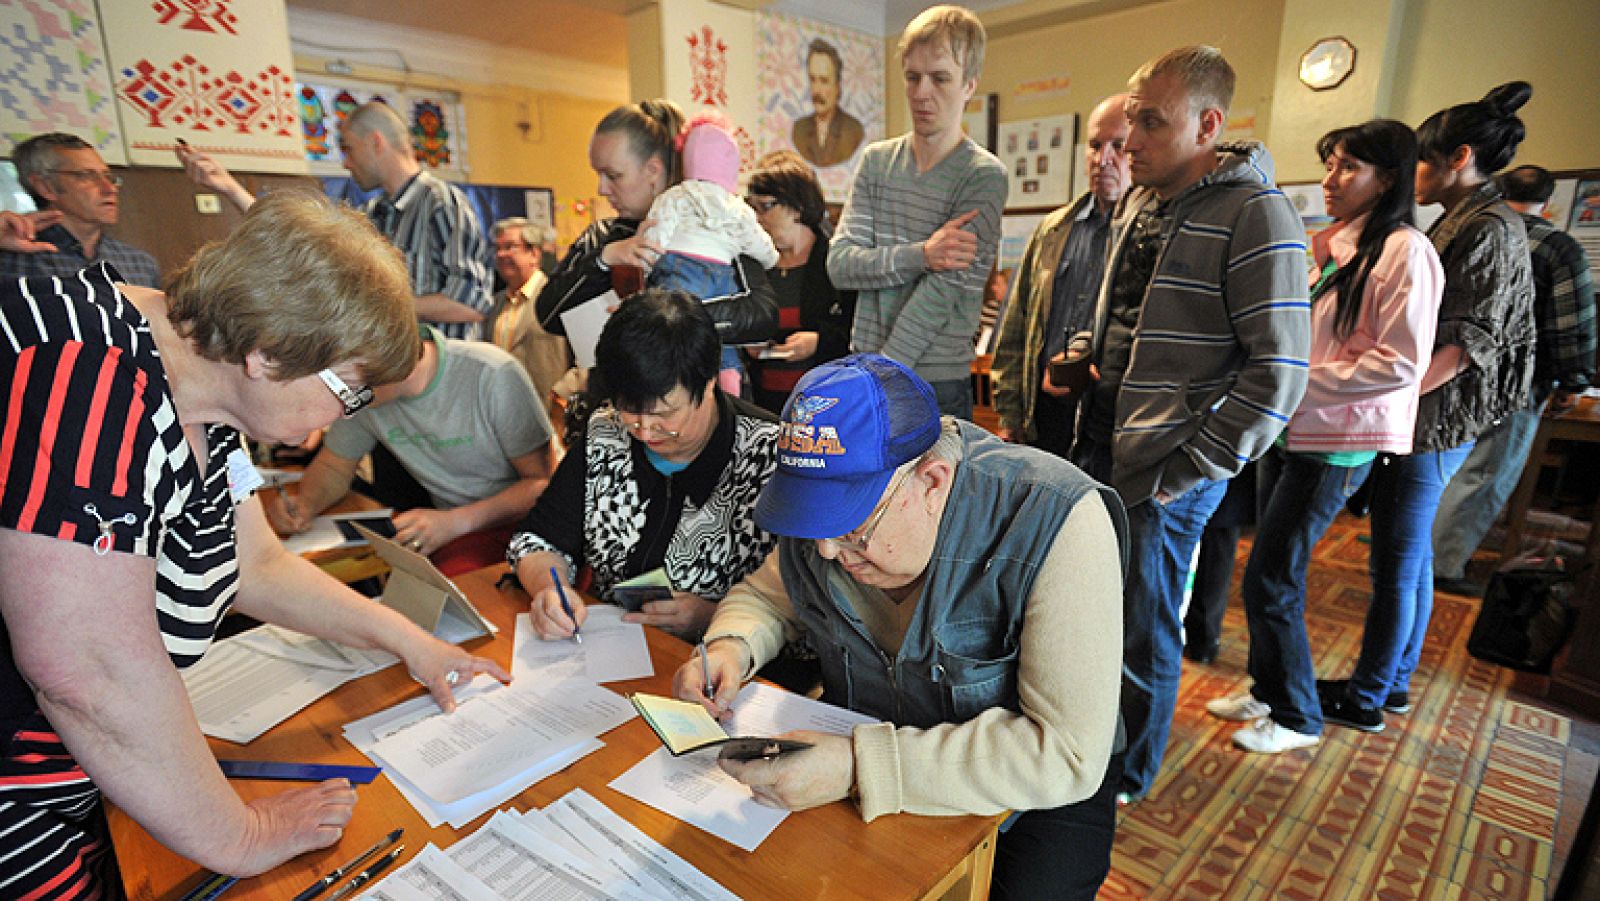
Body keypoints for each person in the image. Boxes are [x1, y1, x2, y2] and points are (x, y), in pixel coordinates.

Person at [0, 193, 508, 897]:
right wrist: (242, 834)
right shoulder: (90, 373)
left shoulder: (210, 385)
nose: (346, 415)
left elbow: (256, 563)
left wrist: (412, 641)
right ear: (269, 352)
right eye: (349, 391)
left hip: (87, 783)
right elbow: (87, 672)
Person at [672, 354, 1126, 900]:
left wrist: (859, 767)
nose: (826, 551)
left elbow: (1065, 752)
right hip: (868, 752)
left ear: (931, 480)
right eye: (816, 525)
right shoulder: (830, 525)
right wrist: (730, 646)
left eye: (853, 529)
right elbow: (768, 597)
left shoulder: (1053, 519)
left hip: (1027, 795)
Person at [1069, 46, 1310, 801]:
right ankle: (1092, 741)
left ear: (1209, 125)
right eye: (1130, 119)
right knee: (1097, 611)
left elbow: (1280, 372)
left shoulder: (1257, 212)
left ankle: (1127, 772)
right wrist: (1082, 352)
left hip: (1169, 467)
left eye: (1149, 121)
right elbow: (1131, 314)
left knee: (1144, 628)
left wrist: (1192, 467)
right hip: (1106, 440)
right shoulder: (1146, 201)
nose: (1128, 140)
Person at [1206, 119, 1444, 753]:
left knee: (1271, 576)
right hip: (1292, 429)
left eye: (1347, 168)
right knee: (1267, 570)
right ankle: (1269, 685)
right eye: (1330, 165)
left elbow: (1399, 362)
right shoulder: (1338, 245)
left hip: (1338, 439)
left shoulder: (1404, 252)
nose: (1330, 180)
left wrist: (1294, 385)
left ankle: (1298, 714)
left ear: (1387, 178)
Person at [1317, 83, 1537, 732]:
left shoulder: (1491, 227)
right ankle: (1387, 682)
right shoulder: (1464, 216)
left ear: (1457, 157)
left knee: (1399, 558)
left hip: (1440, 418)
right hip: (1426, 412)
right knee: (1400, 557)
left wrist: (1387, 392)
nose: (1413, 173)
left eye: (1422, 159)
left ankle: (1370, 692)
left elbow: (1469, 341)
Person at [513, 290, 780, 643]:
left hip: (715, 664)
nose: (642, 429)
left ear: (709, 382)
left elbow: (801, 610)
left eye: (664, 414)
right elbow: (539, 539)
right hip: (610, 648)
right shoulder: (606, 430)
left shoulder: (769, 454)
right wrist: (550, 590)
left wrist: (712, 616)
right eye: (629, 407)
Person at [177, 102, 495, 340]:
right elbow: (302, 235)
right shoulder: (373, 212)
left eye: (348, 149)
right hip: (392, 386)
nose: (345, 162)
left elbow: (468, 305)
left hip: (443, 390)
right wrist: (229, 187)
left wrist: (374, 306)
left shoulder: (442, 202)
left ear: (376, 142)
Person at [827, 4, 1008, 419]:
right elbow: (840, 264)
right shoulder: (877, 161)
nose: (921, 93)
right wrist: (923, 255)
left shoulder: (983, 176)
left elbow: (943, 293)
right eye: (912, 77)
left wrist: (887, 374)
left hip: (934, 380)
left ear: (969, 85)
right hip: (867, 367)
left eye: (940, 78)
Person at [265, 325, 559, 576]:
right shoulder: (367, 393)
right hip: (451, 528)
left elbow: (541, 485)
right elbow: (334, 466)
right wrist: (305, 504)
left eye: (351, 388)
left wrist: (455, 522)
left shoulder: (490, 374)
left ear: (393, 361)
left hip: (521, 527)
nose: (346, 402)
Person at [1431, 163, 1597, 594]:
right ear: (1550, 200)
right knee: (1484, 474)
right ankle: (1442, 566)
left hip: (1445, 369)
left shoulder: (1462, 227)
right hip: (1516, 381)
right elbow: (1570, 323)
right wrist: (1572, 381)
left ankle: (1409, 553)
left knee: (1437, 467)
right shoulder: (1558, 247)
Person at [534, 99, 776, 359]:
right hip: (619, 394)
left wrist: (663, 319)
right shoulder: (603, 237)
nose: (601, 190)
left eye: (613, 175)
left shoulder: (714, 222)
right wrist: (604, 260)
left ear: (653, 170)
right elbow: (549, 316)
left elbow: (762, 317)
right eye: (598, 175)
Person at [991, 93, 1130, 454]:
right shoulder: (1054, 229)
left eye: (1119, 146)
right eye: (1096, 145)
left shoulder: (1147, 235)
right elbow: (1015, 324)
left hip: (1109, 417)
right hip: (1044, 412)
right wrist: (1009, 414)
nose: (1104, 159)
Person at [642, 112, 780, 395]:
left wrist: (646, 270)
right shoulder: (737, 206)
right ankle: (728, 377)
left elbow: (655, 237)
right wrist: (772, 258)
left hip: (680, 268)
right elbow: (759, 245)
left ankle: (680, 387)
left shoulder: (674, 196)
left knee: (676, 334)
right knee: (721, 338)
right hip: (721, 273)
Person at [742, 150, 856, 415]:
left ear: (797, 207)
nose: (756, 217)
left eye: (766, 206)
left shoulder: (836, 261)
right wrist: (748, 339)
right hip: (763, 409)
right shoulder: (754, 264)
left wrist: (819, 341)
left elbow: (860, 330)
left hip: (827, 410)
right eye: (751, 206)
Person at [1, 132, 160, 288]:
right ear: (45, 187)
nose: (109, 188)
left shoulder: (140, 264)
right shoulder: (10, 261)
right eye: (86, 176)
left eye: (108, 177)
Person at [487, 216, 574, 415]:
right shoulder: (493, 304)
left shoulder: (558, 298)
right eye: (497, 248)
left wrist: (561, 400)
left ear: (534, 253)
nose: (501, 254)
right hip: (501, 414)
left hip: (547, 415)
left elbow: (583, 361)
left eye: (510, 246)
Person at [790, 39, 866, 168]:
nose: (817, 90)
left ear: (837, 86)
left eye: (824, 81)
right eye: (813, 80)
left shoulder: (853, 130)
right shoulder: (799, 130)